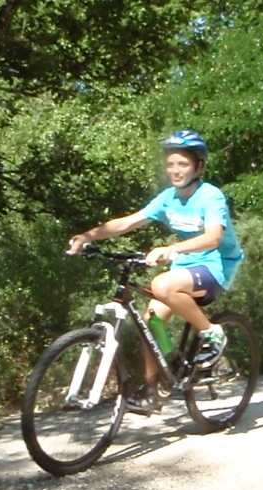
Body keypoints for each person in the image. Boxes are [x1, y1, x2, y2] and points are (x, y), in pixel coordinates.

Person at [67, 130, 244, 415]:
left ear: (198, 166)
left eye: (183, 164)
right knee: (151, 322)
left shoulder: (211, 196)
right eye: (171, 164)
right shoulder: (167, 198)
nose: (175, 170)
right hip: (185, 267)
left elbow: (212, 238)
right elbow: (128, 222)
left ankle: (212, 332)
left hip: (216, 265)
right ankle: (154, 388)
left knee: (161, 284)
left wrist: (171, 247)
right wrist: (89, 235)